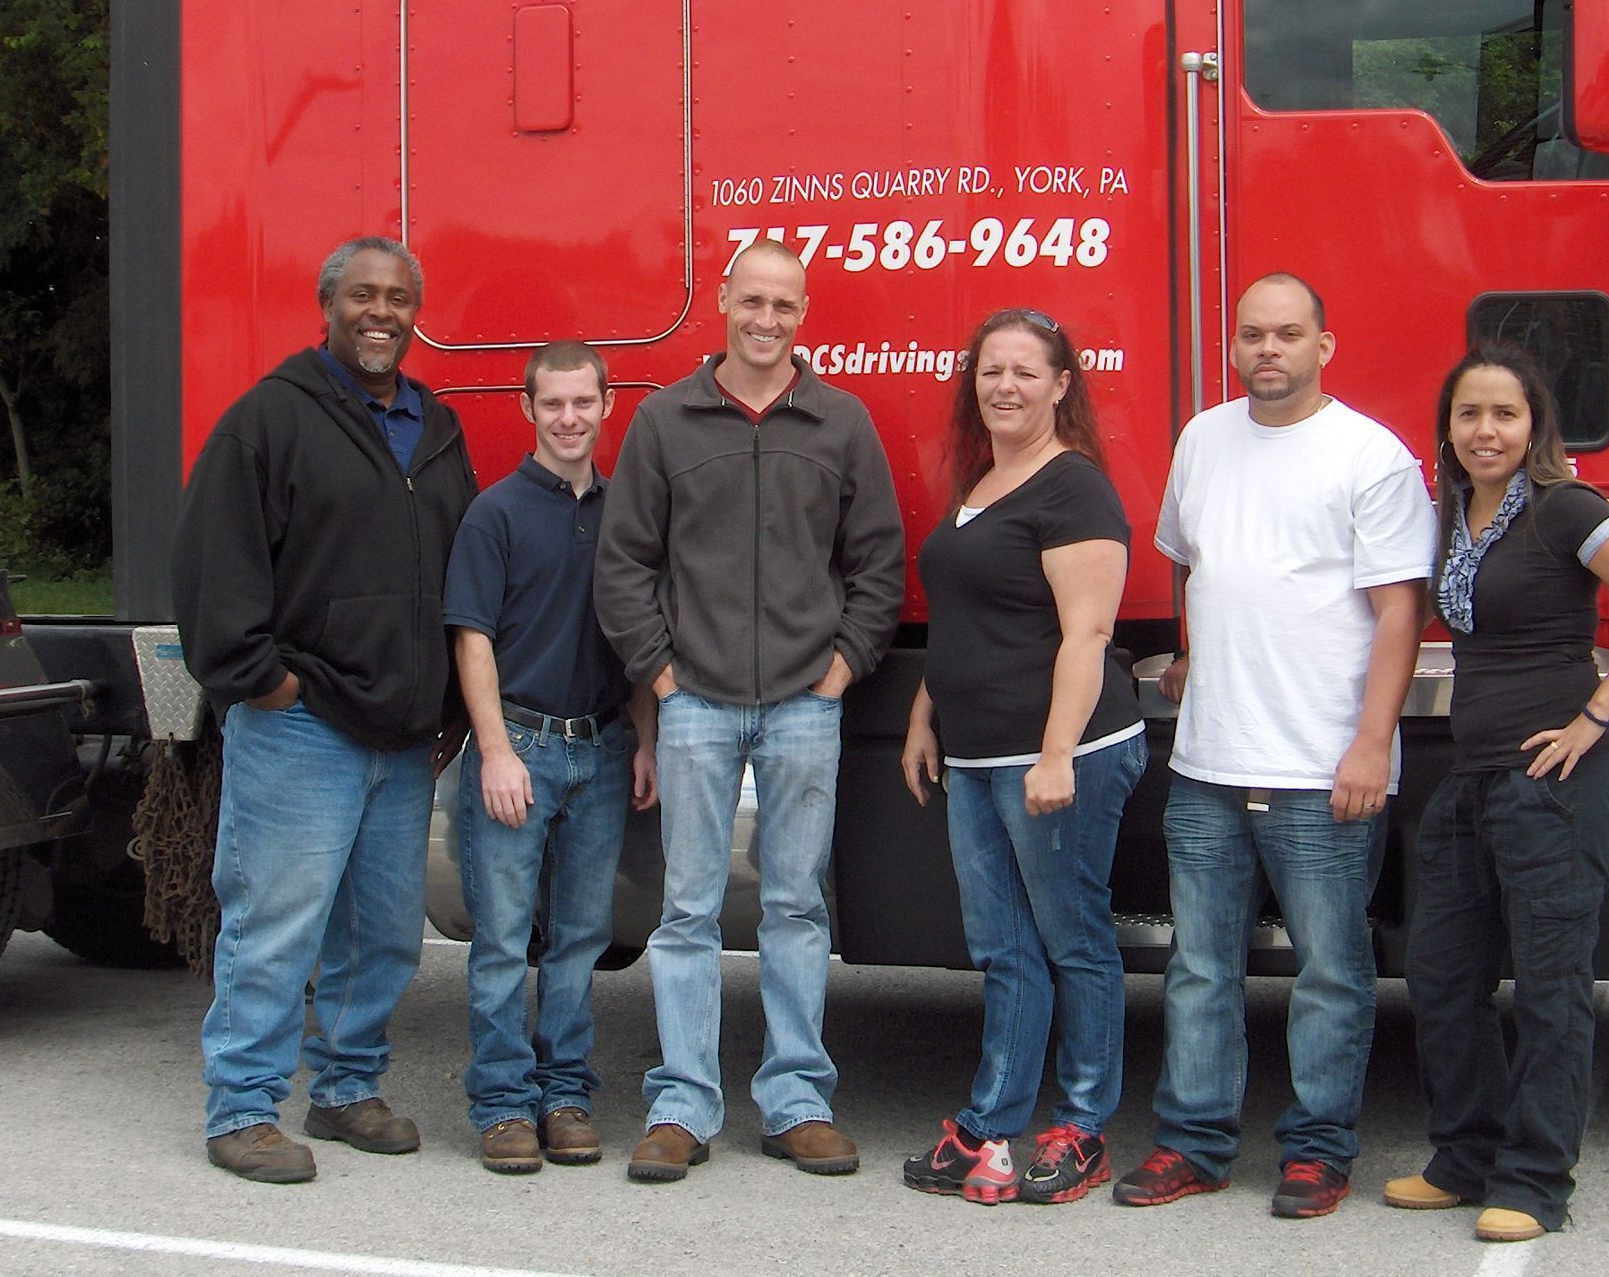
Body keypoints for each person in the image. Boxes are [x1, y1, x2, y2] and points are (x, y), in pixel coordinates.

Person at [1116, 273, 1432, 1220]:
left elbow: (1398, 613)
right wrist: (1192, 651)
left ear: (1324, 346)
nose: (1269, 350)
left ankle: (1317, 1153)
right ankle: (1194, 1144)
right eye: (1253, 334)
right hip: (1208, 765)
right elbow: (1196, 561)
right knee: (1200, 968)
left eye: (1289, 334)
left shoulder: (1370, 455)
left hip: (1319, 771)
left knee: (1331, 974)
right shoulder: (1203, 440)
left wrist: (1372, 744)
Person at [594, 238, 905, 1183]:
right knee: (687, 911)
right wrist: (660, 677)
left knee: (795, 906)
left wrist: (843, 671)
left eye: (785, 306)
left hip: (807, 705)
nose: (767, 320)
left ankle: (797, 1098)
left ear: (803, 315)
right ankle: (682, 1104)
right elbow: (623, 566)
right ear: (722, 301)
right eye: (752, 301)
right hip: (694, 702)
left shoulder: (840, 422)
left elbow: (879, 564)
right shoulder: (664, 422)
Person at [174, 237, 477, 1184]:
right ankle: (243, 1107)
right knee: (275, 923)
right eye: (361, 295)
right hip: (302, 725)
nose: (380, 312)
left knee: (382, 932)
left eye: (397, 297)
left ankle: (347, 1090)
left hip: (403, 732)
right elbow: (215, 567)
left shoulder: (435, 428)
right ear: (329, 305)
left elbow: (459, 565)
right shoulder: (270, 418)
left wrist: (450, 708)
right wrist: (264, 682)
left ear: (414, 312)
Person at [1385, 343, 1609, 1243]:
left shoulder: (1567, 510)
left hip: (1555, 782)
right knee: (1443, 976)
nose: (1486, 431)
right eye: (1468, 415)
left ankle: (1534, 1182)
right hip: (1474, 779)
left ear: (1535, 428)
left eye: (1505, 414)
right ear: (1448, 430)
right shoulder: (1456, 512)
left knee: (1552, 989)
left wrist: (1596, 714)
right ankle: (1463, 1158)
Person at [900, 309, 1146, 1207]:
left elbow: (1087, 631)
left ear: (1061, 385)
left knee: (1073, 939)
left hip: (1053, 758)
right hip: (974, 755)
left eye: (1025, 372)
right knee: (1002, 945)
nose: (1004, 385)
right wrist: (928, 709)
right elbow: (968, 616)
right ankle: (994, 1122)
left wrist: (1056, 756)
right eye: (990, 370)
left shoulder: (1072, 486)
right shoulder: (985, 481)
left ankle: (1081, 1127)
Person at [444, 341, 660, 1175]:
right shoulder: (494, 514)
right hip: (520, 748)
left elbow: (634, 640)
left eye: (584, 403)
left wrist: (643, 739)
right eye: (553, 404)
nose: (569, 419)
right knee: (502, 938)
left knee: (581, 938)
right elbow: (474, 640)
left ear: (607, 407)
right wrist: (494, 752)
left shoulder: (624, 514)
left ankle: (564, 1095)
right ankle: (502, 1104)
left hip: (602, 749)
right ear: (527, 411)